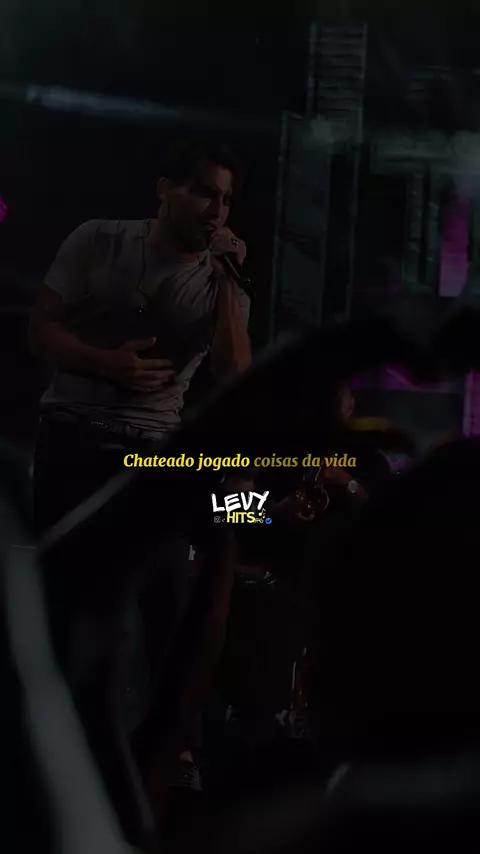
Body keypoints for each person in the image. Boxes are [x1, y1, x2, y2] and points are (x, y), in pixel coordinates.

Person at [28, 139, 251, 843]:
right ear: (165, 190)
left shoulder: (220, 283)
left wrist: (230, 284)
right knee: (63, 606)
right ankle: (49, 755)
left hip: (154, 452)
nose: (216, 210)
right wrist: (105, 363)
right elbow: (40, 328)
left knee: (172, 598)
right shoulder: (98, 240)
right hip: (72, 436)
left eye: (226, 200)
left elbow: (236, 376)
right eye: (205, 193)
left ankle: (176, 756)